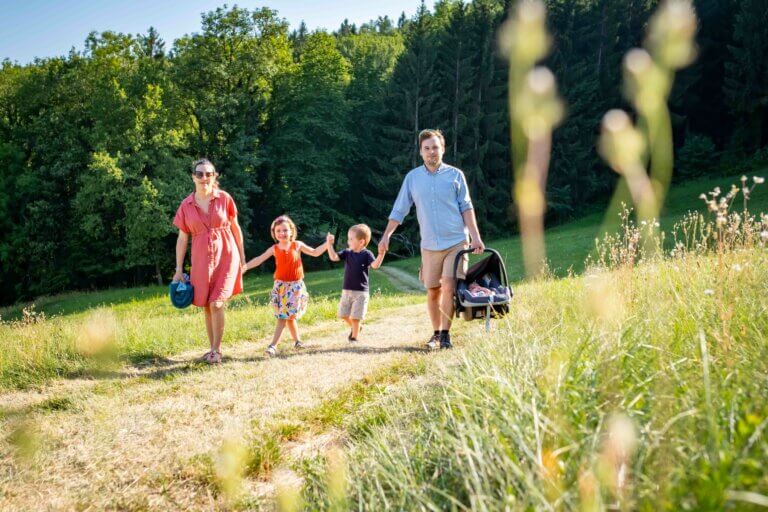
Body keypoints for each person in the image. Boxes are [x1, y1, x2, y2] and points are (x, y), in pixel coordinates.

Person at [378, 129, 485, 350]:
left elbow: (466, 207)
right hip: (429, 244)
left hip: (456, 241)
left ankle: (445, 335)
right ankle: (436, 334)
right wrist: (386, 234)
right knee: (433, 290)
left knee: (448, 285)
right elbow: (400, 209)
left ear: (442, 149)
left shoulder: (455, 175)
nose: (431, 152)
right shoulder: (412, 178)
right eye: (426, 148)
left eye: (435, 147)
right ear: (421, 152)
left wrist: (475, 236)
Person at [173, 159, 247, 364]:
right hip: (201, 260)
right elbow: (182, 239)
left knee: (216, 302)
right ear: (193, 177)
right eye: (200, 174)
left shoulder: (224, 198)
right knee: (207, 304)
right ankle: (213, 348)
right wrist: (178, 269)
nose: (204, 178)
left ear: (214, 177)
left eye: (208, 174)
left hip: (227, 256)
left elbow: (236, 228)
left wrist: (242, 257)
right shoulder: (186, 205)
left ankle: (217, 350)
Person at [243, 215, 330, 356]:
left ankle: (283, 344)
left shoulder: (297, 245)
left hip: (295, 287)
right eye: (278, 231)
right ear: (274, 233)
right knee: (284, 316)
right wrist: (245, 267)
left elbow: (315, 252)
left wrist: (327, 244)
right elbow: (259, 259)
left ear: (291, 231)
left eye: (285, 230)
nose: (282, 233)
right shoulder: (274, 248)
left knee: (288, 316)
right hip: (281, 287)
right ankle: (282, 344)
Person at [326, 225, 386, 342]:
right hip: (347, 291)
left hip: (361, 293)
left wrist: (381, 254)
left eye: (351, 239)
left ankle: (354, 338)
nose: (348, 241)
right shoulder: (347, 252)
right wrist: (329, 244)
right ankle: (357, 328)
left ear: (361, 242)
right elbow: (333, 257)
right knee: (343, 314)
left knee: (355, 317)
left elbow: (375, 265)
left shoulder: (367, 254)